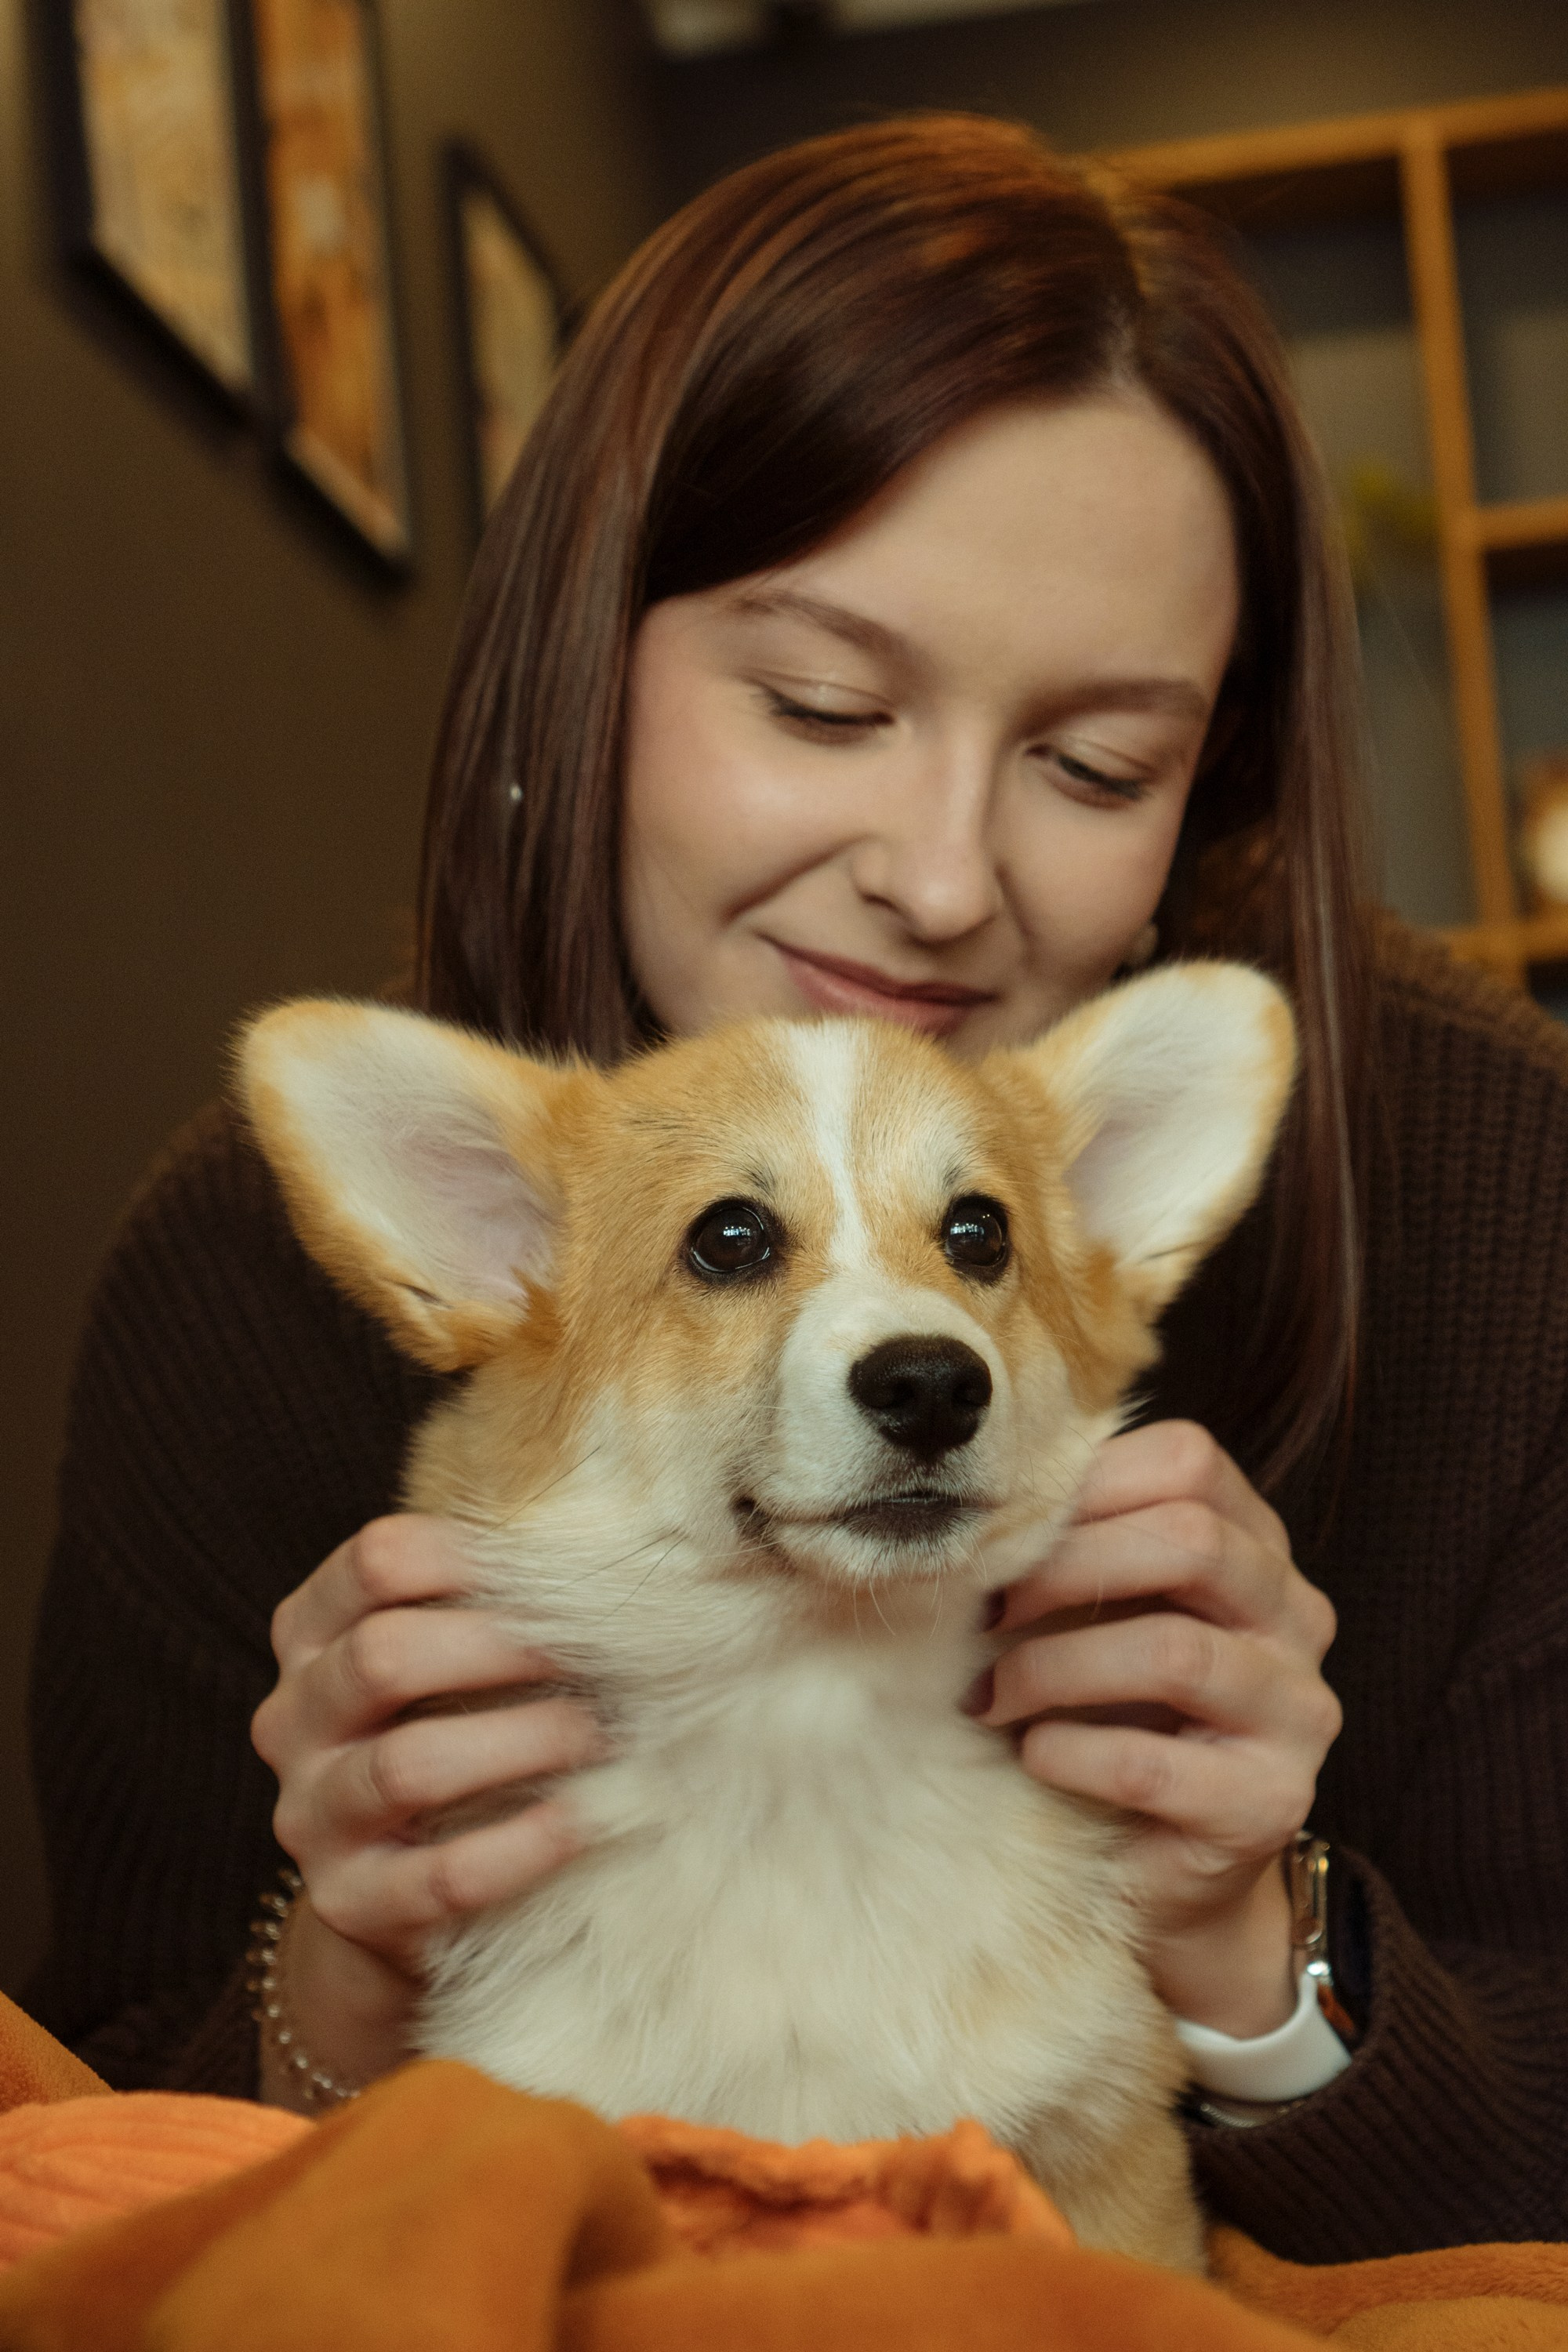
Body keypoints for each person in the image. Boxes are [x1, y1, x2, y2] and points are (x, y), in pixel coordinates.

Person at [27, 114, 1568, 2267]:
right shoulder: (256, 1267)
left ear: (1210, 783)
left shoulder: (1495, 1178)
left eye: (1098, 764)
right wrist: (357, 1971)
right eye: (825, 703)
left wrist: (1250, 1937)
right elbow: (101, 2112)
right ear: (589, 650)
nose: (940, 880)